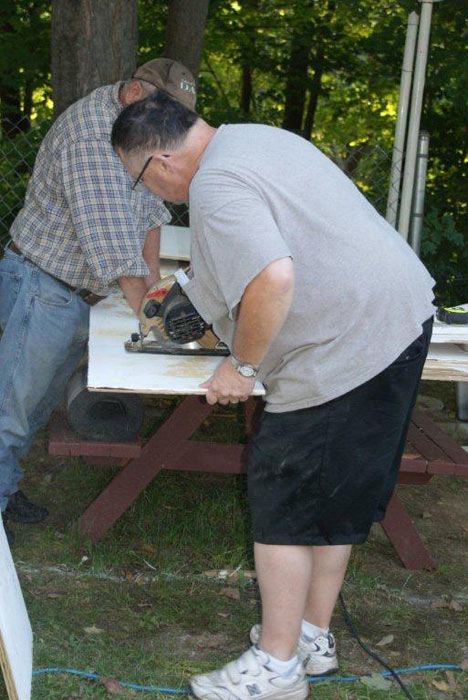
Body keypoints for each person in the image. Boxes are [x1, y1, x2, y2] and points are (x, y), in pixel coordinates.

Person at [111, 92, 435, 700]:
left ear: (158, 163)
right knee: (336, 493)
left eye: (140, 183)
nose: (152, 196)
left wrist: (242, 365)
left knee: (282, 502)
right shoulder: (255, 139)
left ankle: (276, 668)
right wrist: (178, 303)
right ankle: (311, 636)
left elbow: (272, 276)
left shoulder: (215, 186)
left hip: (341, 346)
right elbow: (247, 259)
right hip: (401, 320)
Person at [0, 60, 196, 546]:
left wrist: (154, 287)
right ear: (133, 93)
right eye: (164, 113)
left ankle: (4, 489)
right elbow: (111, 248)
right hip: (42, 285)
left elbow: (151, 213)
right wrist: (159, 320)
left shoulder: (138, 129)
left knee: (38, 404)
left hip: (77, 290)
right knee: (10, 408)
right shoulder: (90, 137)